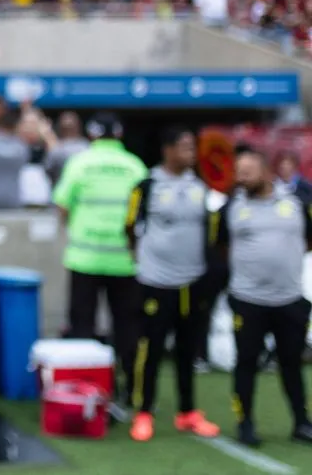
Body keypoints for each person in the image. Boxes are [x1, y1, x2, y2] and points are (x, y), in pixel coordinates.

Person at [210, 148, 312, 447]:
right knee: (246, 363)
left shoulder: (297, 203)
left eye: (248, 172)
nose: (241, 177)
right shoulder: (231, 207)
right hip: (248, 300)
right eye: (238, 172)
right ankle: (245, 423)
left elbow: (308, 239)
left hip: (289, 300)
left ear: (266, 172)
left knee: (292, 363)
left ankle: (301, 422)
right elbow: (220, 246)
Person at [124, 127, 219, 442]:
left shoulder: (200, 187)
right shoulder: (147, 186)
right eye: (184, 146)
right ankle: (143, 412)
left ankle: (187, 412)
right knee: (150, 349)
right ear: (167, 150)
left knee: (187, 349)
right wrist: (144, 263)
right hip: (155, 281)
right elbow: (130, 227)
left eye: (193, 146)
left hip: (192, 282)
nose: (191, 152)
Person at [51, 111, 147, 419]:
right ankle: (129, 390)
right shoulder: (135, 165)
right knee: (127, 327)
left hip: (85, 258)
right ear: (119, 135)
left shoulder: (79, 163)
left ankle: (86, 389)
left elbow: (62, 205)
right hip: (125, 260)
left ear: (91, 135)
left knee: (83, 327)